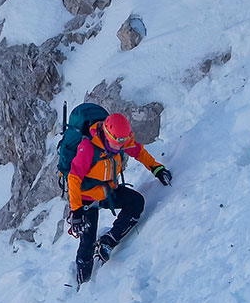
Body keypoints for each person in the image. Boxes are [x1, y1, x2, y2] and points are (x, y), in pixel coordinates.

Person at [65, 113, 171, 285]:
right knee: (87, 244)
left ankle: (108, 241)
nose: (119, 146)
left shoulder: (121, 139)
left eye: (122, 142)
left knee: (136, 202)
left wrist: (156, 168)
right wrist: (76, 211)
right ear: (107, 134)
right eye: (116, 142)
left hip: (108, 192)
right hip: (86, 200)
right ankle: (81, 286)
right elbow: (74, 178)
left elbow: (138, 152)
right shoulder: (88, 148)